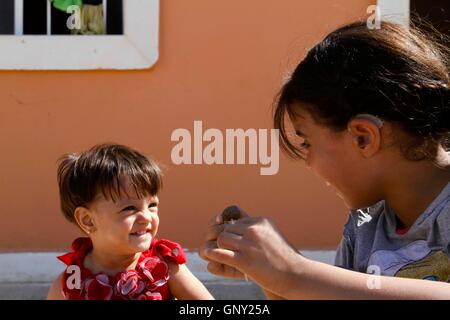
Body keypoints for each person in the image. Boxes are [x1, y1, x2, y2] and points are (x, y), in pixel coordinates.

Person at [200, 20, 450, 299]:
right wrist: (272, 276)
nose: (308, 162)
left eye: (306, 142)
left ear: (363, 137)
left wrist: (295, 274)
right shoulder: (365, 224)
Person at [47, 143, 213, 300]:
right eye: (129, 208)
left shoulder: (163, 266)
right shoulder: (72, 281)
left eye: (152, 205)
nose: (146, 217)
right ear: (88, 220)